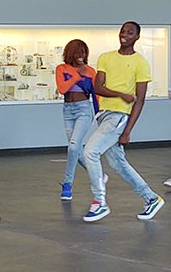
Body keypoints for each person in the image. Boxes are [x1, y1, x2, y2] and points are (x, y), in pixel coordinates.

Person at [81, 22, 165, 222]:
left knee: (90, 152)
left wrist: (128, 131)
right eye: (123, 31)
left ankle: (99, 202)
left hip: (119, 117)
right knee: (118, 162)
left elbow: (140, 99)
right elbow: (98, 87)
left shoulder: (141, 63)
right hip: (103, 115)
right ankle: (151, 198)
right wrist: (120, 94)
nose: (124, 35)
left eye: (130, 32)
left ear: (137, 37)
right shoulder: (106, 57)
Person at [55, 39, 99, 202]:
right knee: (77, 151)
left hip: (83, 110)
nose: (81, 56)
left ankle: (67, 184)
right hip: (67, 110)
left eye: (83, 52)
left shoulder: (91, 71)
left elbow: (96, 94)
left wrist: (99, 114)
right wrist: (76, 75)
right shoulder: (61, 68)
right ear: (69, 53)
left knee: (73, 147)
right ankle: (99, 175)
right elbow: (62, 88)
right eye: (77, 52)